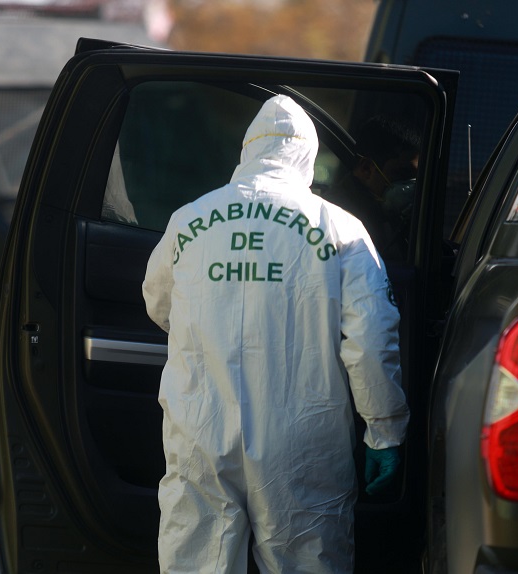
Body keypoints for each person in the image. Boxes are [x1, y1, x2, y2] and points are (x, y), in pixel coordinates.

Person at [142, 95, 409, 574]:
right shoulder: (340, 228)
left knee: (196, 563)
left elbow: (159, 304)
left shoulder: (189, 220)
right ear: (306, 155)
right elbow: (371, 340)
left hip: (202, 427)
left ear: (248, 150)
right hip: (302, 436)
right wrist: (384, 430)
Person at [321, 115, 421, 261]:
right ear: (366, 169)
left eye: (417, 177)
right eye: (403, 173)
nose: (411, 185)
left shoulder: (388, 215)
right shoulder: (336, 220)